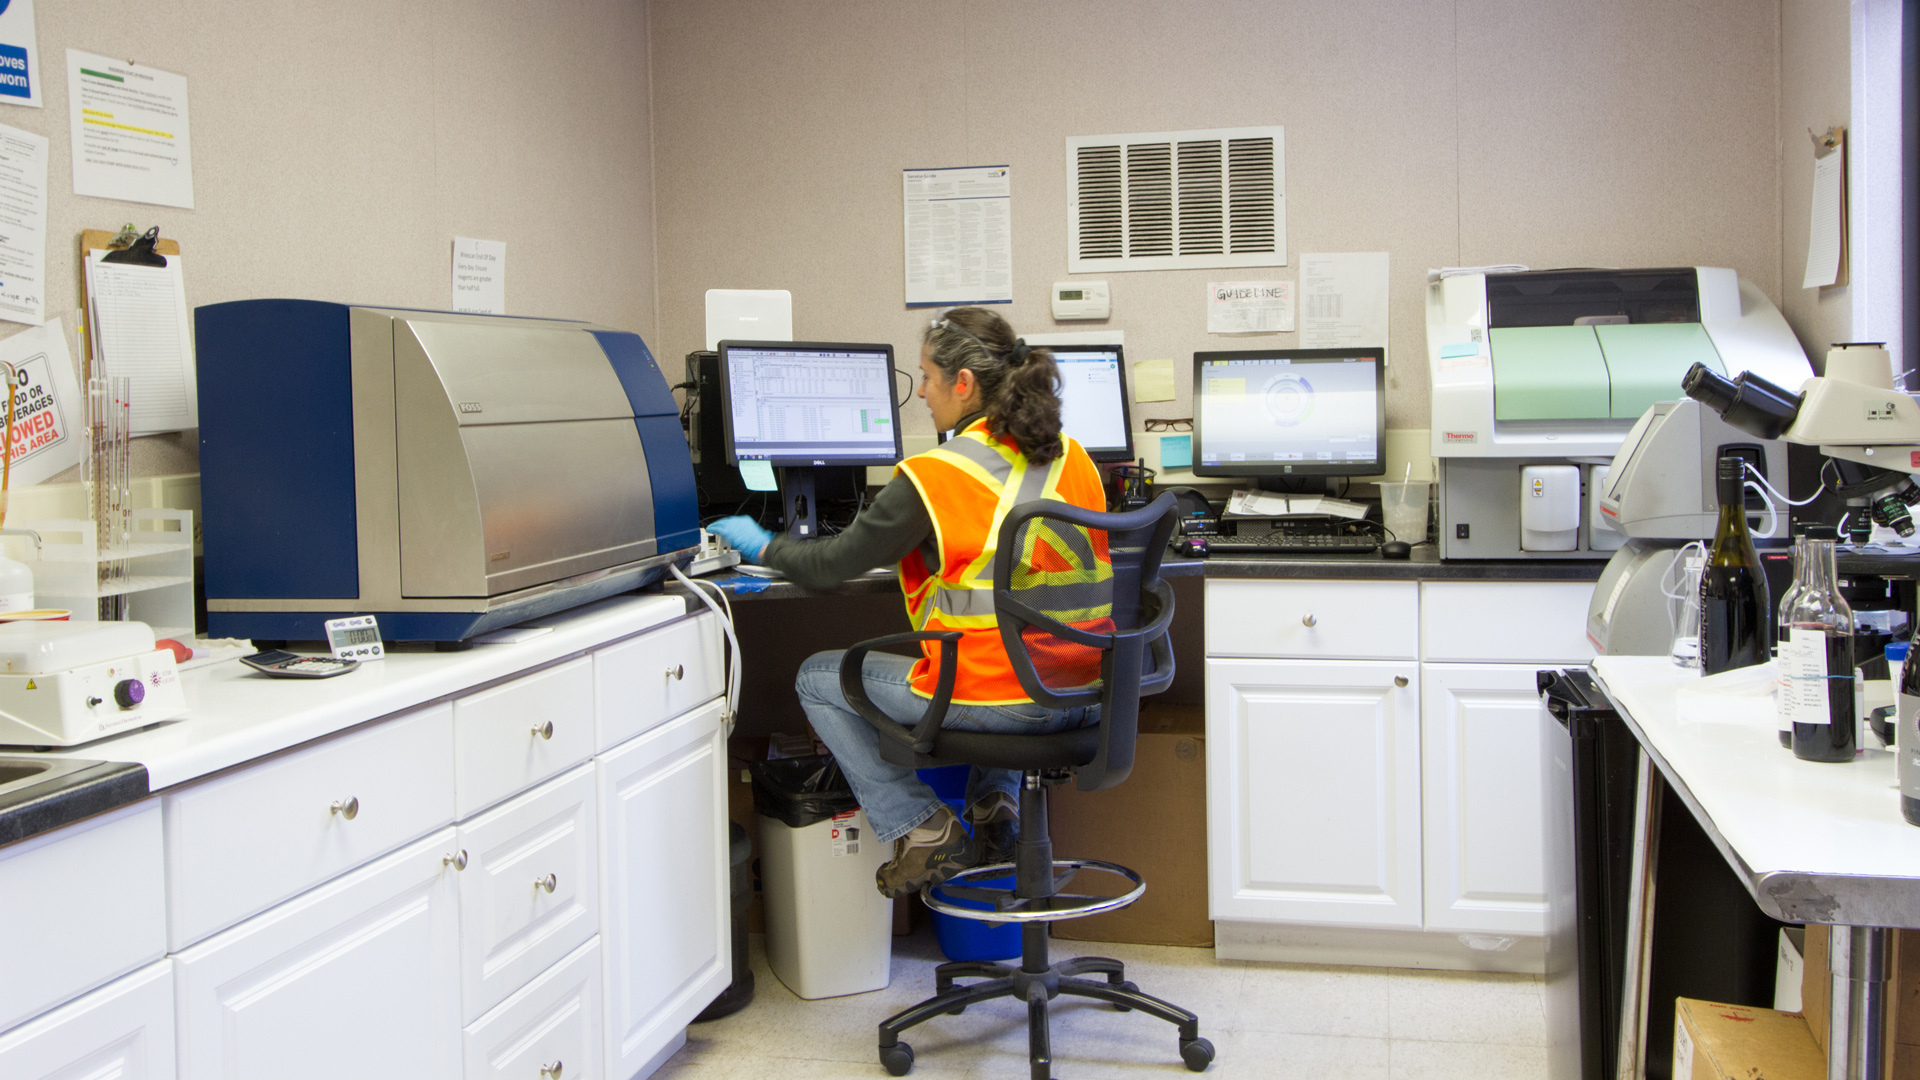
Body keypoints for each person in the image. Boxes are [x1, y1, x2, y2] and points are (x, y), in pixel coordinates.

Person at [707, 307, 1110, 898]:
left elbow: (829, 568)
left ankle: (923, 829)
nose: (921, 391)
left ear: (963, 383)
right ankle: (996, 808)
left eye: (926, 376)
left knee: (818, 676)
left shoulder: (935, 476)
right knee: (1001, 644)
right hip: (1083, 692)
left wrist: (765, 544)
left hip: (1007, 701)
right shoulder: (1073, 456)